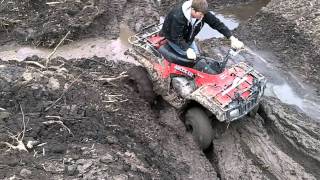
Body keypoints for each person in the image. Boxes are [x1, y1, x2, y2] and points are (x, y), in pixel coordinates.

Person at [160, 0, 244, 60]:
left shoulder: (202, 12)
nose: (203, 17)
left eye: (204, 14)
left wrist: (231, 38)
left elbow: (217, 24)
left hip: (188, 37)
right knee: (186, 58)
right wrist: (187, 49)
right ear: (193, 10)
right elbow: (176, 37)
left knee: (197, 56)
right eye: (200, 14)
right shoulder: (178, 16)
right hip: (172, 37)